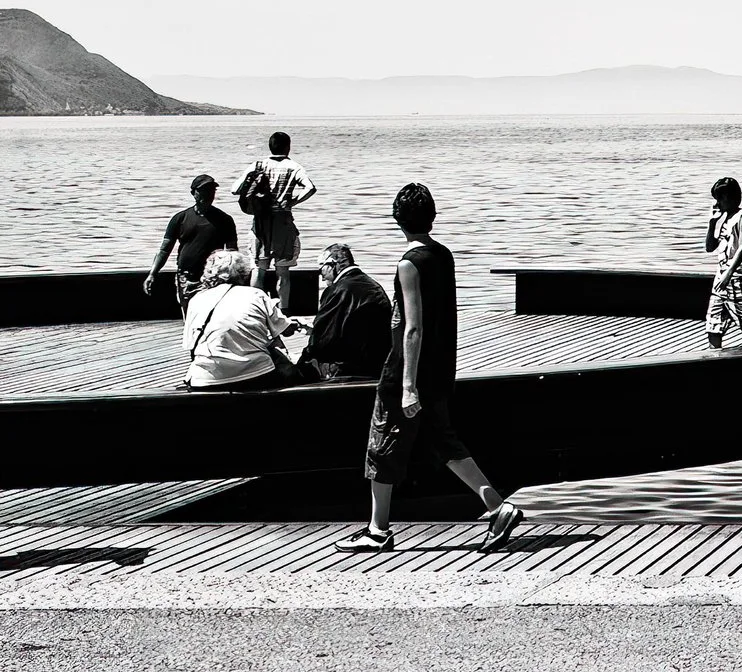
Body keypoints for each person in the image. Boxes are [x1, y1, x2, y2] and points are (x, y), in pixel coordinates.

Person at [335, 183, 523, 554]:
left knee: (383, 446)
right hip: (438, 368)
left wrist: (407, 384)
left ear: (396, 220)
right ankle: (498, 507)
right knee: (442, 441)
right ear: (432, 218)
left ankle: (378, 530)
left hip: (408, 371)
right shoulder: (443, 254)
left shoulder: (409, 263)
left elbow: (412, 325)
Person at [178, 250, 312, 391]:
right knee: (278, 345)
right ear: (244, 273)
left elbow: (190, 344)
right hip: (255, 375)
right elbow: (285, 330)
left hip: (205, 379)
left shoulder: (196, 300)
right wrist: (296, 324)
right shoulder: (255, 295)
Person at [239, 131, 318, 303]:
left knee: (258, 270)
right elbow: (310, 188)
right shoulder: (294, 167)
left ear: (270, 146)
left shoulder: (258, 165)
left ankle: (256, 309)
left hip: (260, 222)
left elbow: (235, 189)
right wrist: (293, 202)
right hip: (283, 222)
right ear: (288, 147)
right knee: (283, 273)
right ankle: (284, 311)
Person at [143, 174, 240, 306]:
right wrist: (152, 274)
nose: (209, 194)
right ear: (193, 193)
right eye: (204, 190)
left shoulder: (225, 220)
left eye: (212, 190)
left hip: (213, 278)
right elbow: (164, 250)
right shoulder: (180, 219)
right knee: (189, 315)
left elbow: (232, 254)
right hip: (186, 277)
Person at [303, 242, 391, 380]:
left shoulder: (338, 290)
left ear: (332, 265)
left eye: (321, 269)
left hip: (349, 366)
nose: (321, 276)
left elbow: (322, 340)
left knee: (304, 366)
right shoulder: (372, 285)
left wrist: (305, 358)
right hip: (379, 361)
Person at [702, 176, 742, 351]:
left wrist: (729, 273)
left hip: (737, 277)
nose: (718, 203)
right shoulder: (725, 219)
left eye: (720, 198)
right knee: (713, 323)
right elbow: (709, 247)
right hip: (721, 277)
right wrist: (712, 223)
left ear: (730, 197)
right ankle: (715, 356)